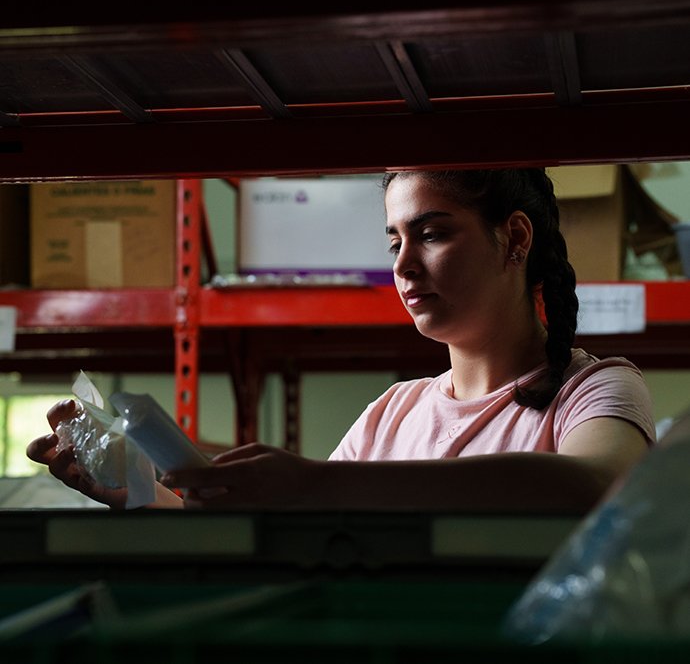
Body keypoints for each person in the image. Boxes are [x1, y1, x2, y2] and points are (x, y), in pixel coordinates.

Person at [27, 168, 656, 514]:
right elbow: (304, 530)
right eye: (394, 242)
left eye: (432, 234)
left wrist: (314, 484)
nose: (403, 267)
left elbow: (596, 485)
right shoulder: (393, 412)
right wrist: (137, 492)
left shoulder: (593, 389)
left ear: (515, 240)